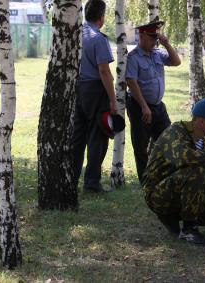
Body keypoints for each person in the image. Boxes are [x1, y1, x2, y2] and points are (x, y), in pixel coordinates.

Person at [143, 98, 205, 245]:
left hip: (180, 194)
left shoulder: (203, 145)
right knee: (195, 170)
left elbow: (204, 187)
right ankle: (189, 230)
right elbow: (182, 158)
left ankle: (174, 218)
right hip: (158, 195)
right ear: (201, 122)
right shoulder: (175, 132)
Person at [126, 20, 181, 184]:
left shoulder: (157, 53)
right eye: (152, 38)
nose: (154, 41)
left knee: (169, 140)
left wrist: (167, 44)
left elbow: (177, 61)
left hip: (158, 106)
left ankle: (165, 175)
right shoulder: (133, 57)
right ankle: (145, 182)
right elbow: (131, 81)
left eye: (156, 38)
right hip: (140, 107)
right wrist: (143, 106)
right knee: (141, 146)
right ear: (142, 36)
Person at [72, 0, 118, 193]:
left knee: (77, 137)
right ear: (101, 18)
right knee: (97, 136)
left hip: (76, 89)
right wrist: (113, 100)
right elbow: (104, 71)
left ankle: (71, 179)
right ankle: (91, 183)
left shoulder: (75, 34)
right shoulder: (98, 38)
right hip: (94, 91)